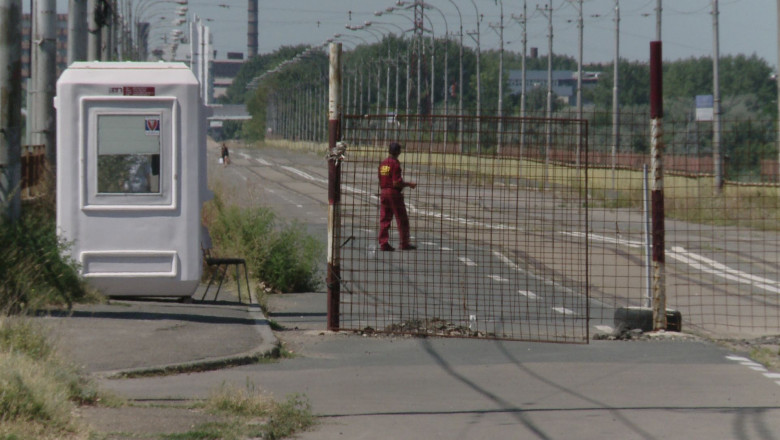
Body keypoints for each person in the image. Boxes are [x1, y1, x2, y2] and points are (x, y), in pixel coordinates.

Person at [378, 142, 417, 251]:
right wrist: (409, 184)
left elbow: (380, 179)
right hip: (393, 193)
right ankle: (404, 243)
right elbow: (396, 183)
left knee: (385, 218)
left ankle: (383, 243)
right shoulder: (395, 164)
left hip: (384, 191)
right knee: (401, 218)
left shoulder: (383, 164)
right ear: (398, 152)